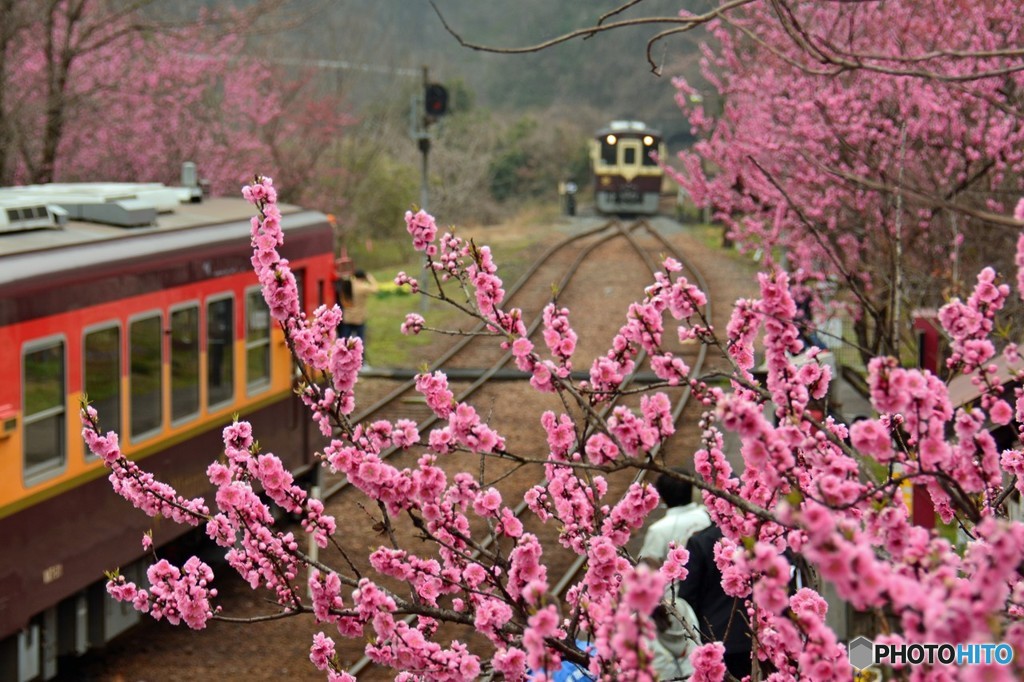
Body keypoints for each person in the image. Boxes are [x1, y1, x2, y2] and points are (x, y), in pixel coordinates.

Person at [640, 469, 711, 680]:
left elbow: (648, 568)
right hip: (712, 595)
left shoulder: (658, 530)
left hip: (678, 606)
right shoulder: (705, 517)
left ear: (661, 496)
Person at [675, 524, 753, 680]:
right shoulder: (759, 536)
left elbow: (688, 596)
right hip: (756, 635)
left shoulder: (701, 541)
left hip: (715, 637)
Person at [337, 268, 378, 352]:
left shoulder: (348, 284)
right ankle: (360, 361)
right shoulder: (362, 287)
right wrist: (370, 278)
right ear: (363, 277)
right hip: (359, 318)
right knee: (360, 343)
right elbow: (375, 289)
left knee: (344, 342)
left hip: (347, 317)